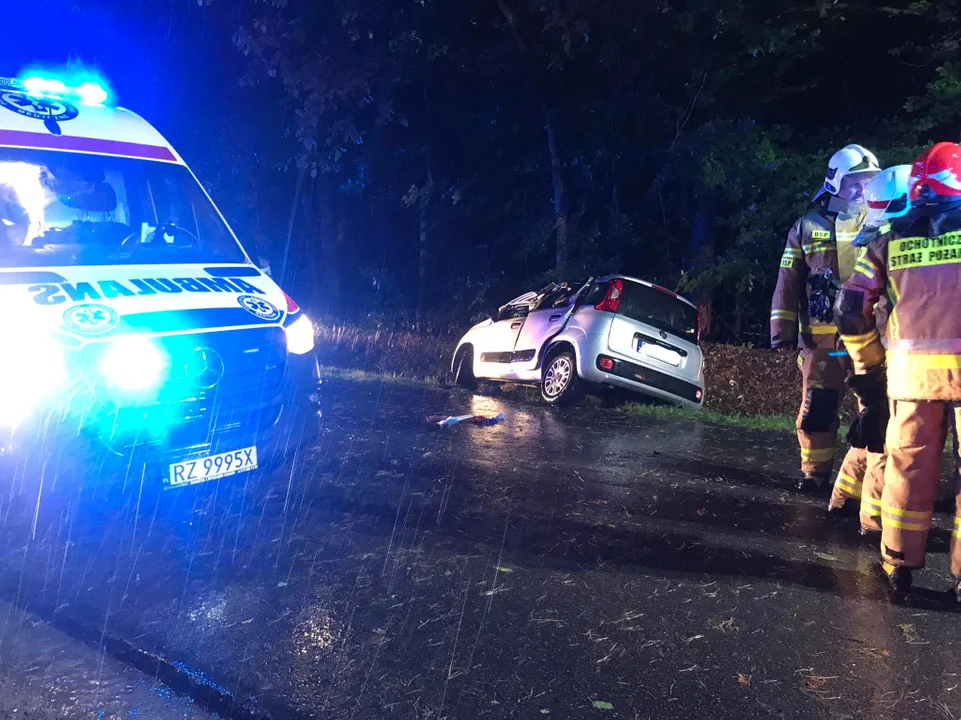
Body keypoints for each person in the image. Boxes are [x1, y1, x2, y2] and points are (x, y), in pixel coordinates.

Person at [835, 141, 961, 593]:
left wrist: (868, 369)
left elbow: (849, 308)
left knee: (907, 467)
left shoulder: (889, 238)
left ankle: (898, 565)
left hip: (909, 379)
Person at [771, 144, 880, 492]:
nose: (861, 189)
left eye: (867, 181)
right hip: (822, 340)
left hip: (868, 335)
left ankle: (866, 482)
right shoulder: (807, 226)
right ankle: (815, 475)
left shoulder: (880, 222)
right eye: (854, 182)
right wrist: (781, 333)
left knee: (877, 405)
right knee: (818, 405)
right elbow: (788, 283)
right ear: (835, 183)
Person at [827, 165, 912, 535]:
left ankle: (843, 498)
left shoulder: (877, 237)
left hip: (865, 355)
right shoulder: (891, 242)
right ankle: (873, 521)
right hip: (880, 359)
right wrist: (871, 369)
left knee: (868, 430)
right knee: (882, 438)